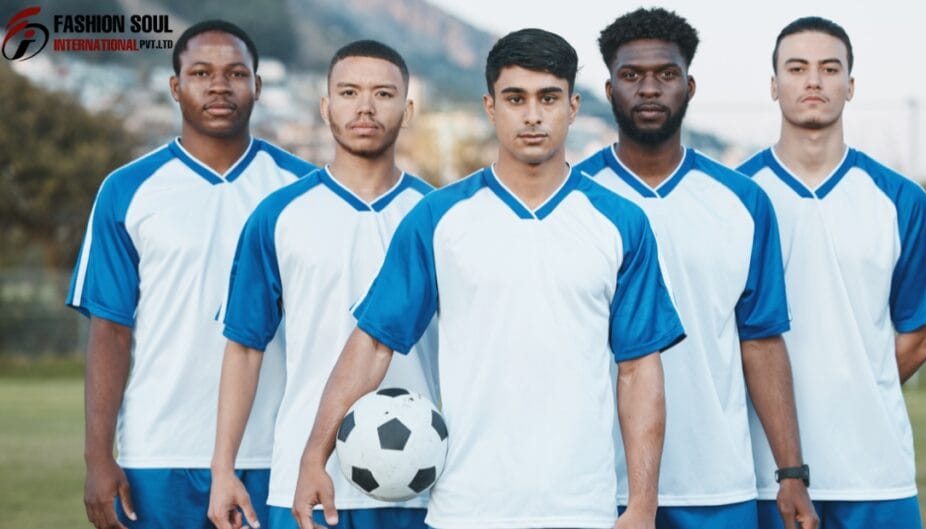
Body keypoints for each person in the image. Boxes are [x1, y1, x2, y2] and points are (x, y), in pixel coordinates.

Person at [292, 28, 685, 529]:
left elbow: (639, 370)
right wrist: (312, 457)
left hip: (582, 510)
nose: (533, 115)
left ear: (574, 106)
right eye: (515, 98)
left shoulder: (621, 223)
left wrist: (643, 504)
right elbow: (372, 345)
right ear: (490, 106)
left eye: (548, 98)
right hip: (465, 509)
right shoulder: (438, 219)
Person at [66, 20, 316, 529]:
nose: (219, 85)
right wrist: (98, 458)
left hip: (274, 450)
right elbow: (110, 329)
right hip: (159, 450)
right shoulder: (127, 189)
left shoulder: (302, 189)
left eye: (236, 73)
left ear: (258, 87)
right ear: (176, 87)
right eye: (201, 72)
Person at [576, 8, 817, 529]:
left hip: (717, 482)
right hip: (595, 485)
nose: (649, 89)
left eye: (665, 74)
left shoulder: (742, 201)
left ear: (689, 86)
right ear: (608, 87)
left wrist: (790, 471)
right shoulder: (573, 198)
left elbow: (761, 340)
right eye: (631, 75)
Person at [207, 40, 438, 529]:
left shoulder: (442, 217)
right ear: (325, 106)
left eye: (383, 93)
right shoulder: (278, 215)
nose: (366, 107)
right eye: (350, 91)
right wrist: (222, 469)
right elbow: (245, 349)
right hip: (305, 479)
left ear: (408, 108)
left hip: (425, 482)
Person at [736, 16, 926, 529]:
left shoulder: (902, 201)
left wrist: (858, 389)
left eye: (829, 68)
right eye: (797, 68)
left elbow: (921, 335)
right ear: (774, 85)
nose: (814, 80)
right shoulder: (734, 198)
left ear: (850, 86)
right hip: (760, 472)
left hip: (875, 472)